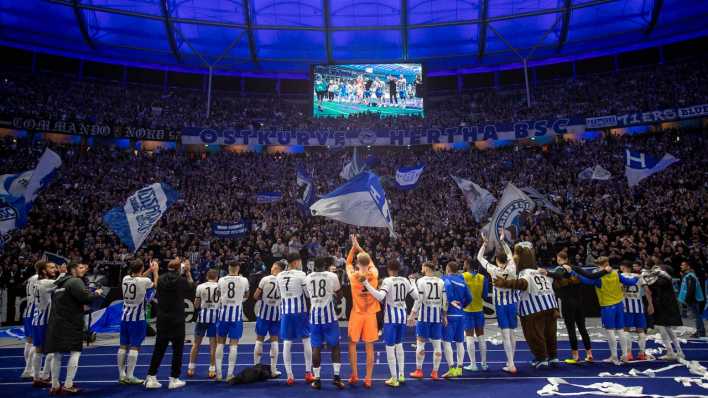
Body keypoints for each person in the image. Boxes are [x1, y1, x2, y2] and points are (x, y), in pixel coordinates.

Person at [494, 242, 560, 369]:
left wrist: (505, 283)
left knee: (535, 334)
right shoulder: (541, 271)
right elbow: (553, 286)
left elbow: (523, 284)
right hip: (551, 305)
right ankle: (553, 356)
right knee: (550, 334)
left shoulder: (526, 273)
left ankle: (542, 358)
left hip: (534, 309)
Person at [46, 262, 104, 395]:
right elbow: (86, 298)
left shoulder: (59, 282)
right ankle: (68, 384)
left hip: (56, 322)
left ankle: (55, 385)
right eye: (81, 267)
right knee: (75, 352)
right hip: (70, 323)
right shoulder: (75, 281)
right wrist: (97, 292)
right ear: (73, 269)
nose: (85, 269)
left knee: (57, 354)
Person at [568, 257, 638, 365]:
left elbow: (586, 280)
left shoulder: (599, 278)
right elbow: (630, 282)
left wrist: (572, 272)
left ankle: (614, 357)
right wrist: (638, 276)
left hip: (607, 307)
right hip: (619, 305)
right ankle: (625, 356)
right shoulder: (616, 273)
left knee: (610, 332)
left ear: (600, 265)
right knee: (621, 331)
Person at [362, 259, 418, 387]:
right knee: (399, 345)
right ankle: (402, 375)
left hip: (391, 319)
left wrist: (366, 284)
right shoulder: (404, 280)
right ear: (399, 269)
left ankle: (394, 378)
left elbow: (380, 297)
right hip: (402, 317)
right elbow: (416, 297)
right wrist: (413, 282)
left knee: (390, 348)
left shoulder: (387, 281)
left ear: (389, 269)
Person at [145, 258, 194, 390]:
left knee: (158, 350)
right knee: (177, 351)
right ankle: (174, 379)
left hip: (162, 320)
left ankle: (151, 377)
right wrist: (188, 273)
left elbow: (155, 283)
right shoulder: (181, 280)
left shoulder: (160, 279)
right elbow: (191, 287)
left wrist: (154, 271)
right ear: (179, 269)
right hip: (177, 320)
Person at [477, 235, 518, 373]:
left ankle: (511, 364)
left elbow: (479, 258)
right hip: (512, 303)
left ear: (496, 260)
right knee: (512, 334)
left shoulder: (493, 270)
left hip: (501, 305)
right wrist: (502, 240)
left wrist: (485, 244)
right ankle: (511, 362)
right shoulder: (512, 266)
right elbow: (510, 253)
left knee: (505, 335)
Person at [305, 256, 345, 390]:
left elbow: (307, 296)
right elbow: (340, 295)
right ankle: (337, 378)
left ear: (314, 266)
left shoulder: (308, 277)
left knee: (316, 347)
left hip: (315, 317)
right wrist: (334, 298)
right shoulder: (332, 276)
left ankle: (317, 379)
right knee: (335, 346)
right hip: (329, 317)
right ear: (326, 265)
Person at [345, 235, 380, 388]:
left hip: (357, 314)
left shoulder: (353, 276)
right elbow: (370, 260)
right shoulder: (375, 273)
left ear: (358, 263)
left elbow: (347, 262)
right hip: (371, 314)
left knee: (352, 344)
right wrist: (359, 248)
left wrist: (353, 247)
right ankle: (368, 378)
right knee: (369, 346)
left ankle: (354, 375)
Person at [118, 259, 158, 385]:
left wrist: (148, 271)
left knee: (123, 345)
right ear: (141, 269)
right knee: (135, 346)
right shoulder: (145, 281)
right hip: (138, 318)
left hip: (125, 317)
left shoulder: (125, 278)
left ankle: (122, 375)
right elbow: (155, 284)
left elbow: (138, 278)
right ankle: (130, 376)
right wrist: (155, 272)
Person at [276, 252, 314, 385]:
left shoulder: (279, 275)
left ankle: (290, 375)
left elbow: (279, 294)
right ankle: (308, 372)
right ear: (296, 262)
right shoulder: (301, 274)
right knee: (306, 340)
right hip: (300, 311)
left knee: (287, 342)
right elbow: (308, 295)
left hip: (286, 312)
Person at [554, 250, 594, 364]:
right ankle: (589, 353)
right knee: (582, 328)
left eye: (558, 259)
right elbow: (590, 276)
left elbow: (556, 287)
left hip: (567, 304)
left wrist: (546, 273)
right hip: (579, 302)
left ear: (562, 259)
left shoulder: (559, 271)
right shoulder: (576, 269)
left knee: (571, 330)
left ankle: (575, 356)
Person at [409, 261, 447, 380]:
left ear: (426, 268)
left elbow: (419, 299)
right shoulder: (441, 281)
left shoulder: (421, 281)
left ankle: (419, 370)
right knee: (437, 346)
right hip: (436, 318)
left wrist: (412, 314)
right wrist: (444, 315)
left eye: (422, 267)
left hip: (424, 317)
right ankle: (435, 372)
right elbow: (444, 300)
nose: (421, 268)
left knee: (420, 343)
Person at [642, 260, 685, 360]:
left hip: (664, 306)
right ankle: (679, 351)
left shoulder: (664, 279)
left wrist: (645, 276)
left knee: (662, 328)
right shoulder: (663, 278)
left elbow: (653, 284)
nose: (657, 270)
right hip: (665, 305)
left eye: (659, 269)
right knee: (668, 329)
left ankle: (671, 352)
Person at [215, 260, 249, 382]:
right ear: (238, 267)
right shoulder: (244, 280)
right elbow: (246, 295)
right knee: (233, 345)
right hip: (236, 315)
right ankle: (230, 374)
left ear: (229, 268)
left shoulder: (221, 280)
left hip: (223, 314)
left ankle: (218, 374)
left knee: (220, 343)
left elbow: (218, 294)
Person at [441, 261, 472, 378]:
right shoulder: (462, 280)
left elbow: (447, 289)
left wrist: (449, 303)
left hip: (449, 314)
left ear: (448, 269)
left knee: (447, 342)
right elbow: (469, 297)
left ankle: (451, 369)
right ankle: (460, 368)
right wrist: (462, 306)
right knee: (460, 342)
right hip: (461, 314)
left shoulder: (446, 279)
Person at [252, 261, 283, 377]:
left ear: (275, 268)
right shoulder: (283, 280)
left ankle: (256, 368)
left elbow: (255, 296)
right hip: (277, 314)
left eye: (272, 266)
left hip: (264, 314)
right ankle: (273, 370)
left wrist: (263, 298)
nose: (270, 268)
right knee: (274, 340)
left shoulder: (265, 279)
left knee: (259, 339)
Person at [188, 268, 220, 379]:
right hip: (215, 317)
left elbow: (196, 305)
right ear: (216, 277)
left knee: (196, 344)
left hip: (202, 317)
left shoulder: (200, 287)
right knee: (213, 345)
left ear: (207, 276)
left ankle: (191, 368)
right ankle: (212, 369)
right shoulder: (220, 286)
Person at [31, 261, 57, 387]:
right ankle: (46, 375)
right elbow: (63, 283)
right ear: (43, 271)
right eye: (51, 268)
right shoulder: (47, 283)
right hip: (45, 321)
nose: (54, 269)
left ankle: (36, 377)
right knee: (52, 350)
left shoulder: (36, 282)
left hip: (36, 319)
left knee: (38, 350)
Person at [619, 261, 653, 360]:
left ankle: (628, 353)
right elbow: (647, 291)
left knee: (626, 329)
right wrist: (650, 304)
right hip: (639, 307)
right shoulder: (639, 276)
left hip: (625, 306)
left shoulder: (620, 276)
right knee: (641, 330)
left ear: (623, 267)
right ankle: (642, 353)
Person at [462, 256, 488, 372]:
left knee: (469, 337)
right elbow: (485, 295)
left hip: (467, 311)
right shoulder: (483, 278)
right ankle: (484, 363)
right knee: (481, 336)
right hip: (479, 310)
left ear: (467, 265)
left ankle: (473, 364)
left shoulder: (462, 277)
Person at [679, 261, 705, 338]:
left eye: (683, 265)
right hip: (692, 299)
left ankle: (700, 331)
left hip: (693, 300)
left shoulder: (690, 276)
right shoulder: (688, 275)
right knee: (697, 316)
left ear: (688, 267)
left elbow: (691, 289)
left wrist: (688, 299)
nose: (681, 266)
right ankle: (700, 331)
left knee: (697, 316)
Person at [21, 266, 39, 379]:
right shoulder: (39, 279)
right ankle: (28, 369)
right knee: (36, 342)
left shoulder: (31, 278)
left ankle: (29, 369)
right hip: (35, 311)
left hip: (28, 310)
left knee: (29, 341)